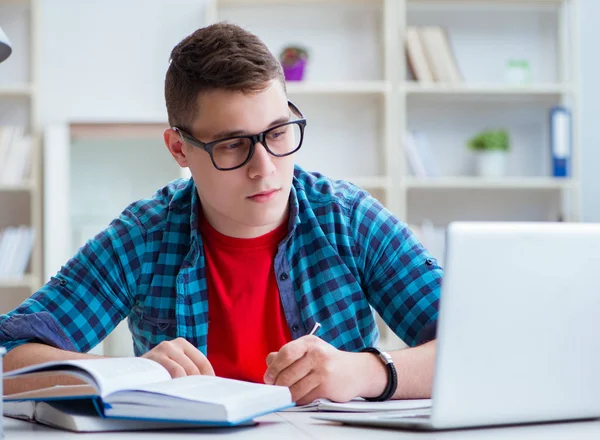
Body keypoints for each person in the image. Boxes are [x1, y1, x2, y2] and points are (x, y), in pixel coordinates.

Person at [0, 23, 442, 405]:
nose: (265, 167)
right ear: (180, 150)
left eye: (278, 132)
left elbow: (477, 344)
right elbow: (11, 357)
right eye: (232, 144)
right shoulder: (142, 236)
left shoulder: (348, 219)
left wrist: (368, 372)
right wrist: (132, 374)